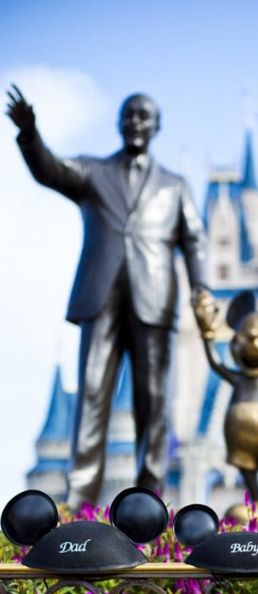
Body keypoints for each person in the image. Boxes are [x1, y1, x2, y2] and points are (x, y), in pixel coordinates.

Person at [6, 85, 216, 508]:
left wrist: (201, 289)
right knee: (92, 395)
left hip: (154, 301)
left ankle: (148, 501)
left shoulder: (174, 186)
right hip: (100, 299)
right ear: (119, 123)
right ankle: (79, 498)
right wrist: (30, 134)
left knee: (153, 402)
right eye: (130, 114)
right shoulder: (92, 172)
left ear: (157, 127)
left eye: (144, 116)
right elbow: (50, 169)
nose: (136, 122)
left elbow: (194, 239)